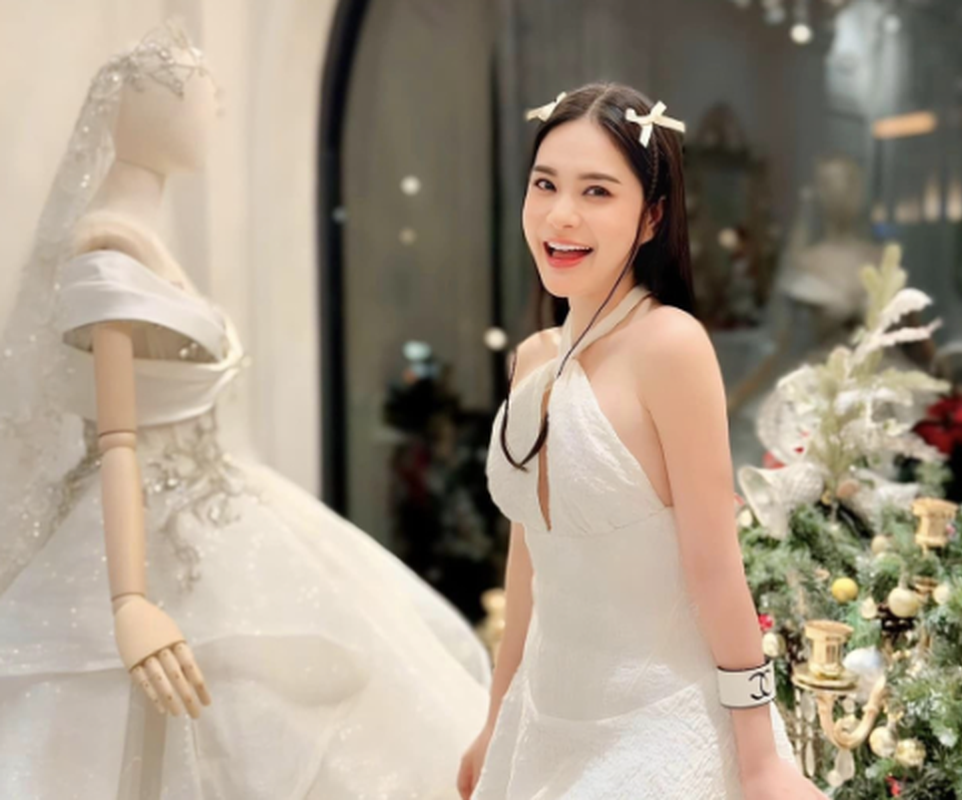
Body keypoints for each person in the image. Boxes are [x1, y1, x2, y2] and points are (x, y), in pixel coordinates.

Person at [0, 23, 488, 798]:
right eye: (204, 98)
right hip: (150, 530)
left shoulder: (145, 241)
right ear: (153, 111)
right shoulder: (108, 247)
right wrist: (129, 601)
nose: (216, 112)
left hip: (219, 507)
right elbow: (118, 439)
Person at [457, 83, 823, 800]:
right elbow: (527, 561)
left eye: (596, 191)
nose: (561, 214)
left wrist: (758, 761)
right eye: (545, 184)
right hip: (542, 726)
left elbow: (716, 567)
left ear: (652, 216)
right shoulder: (532, 358)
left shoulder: (669, 346)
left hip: (659, 728)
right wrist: (496, 717)